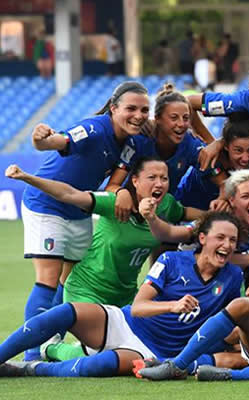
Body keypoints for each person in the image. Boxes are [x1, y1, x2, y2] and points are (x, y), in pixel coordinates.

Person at [0, 212, 248, 378]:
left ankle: (30, 368)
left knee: (101, 365)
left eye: (233, 240)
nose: (227, 245)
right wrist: (172, 306)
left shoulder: (233, 277)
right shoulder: (171, 260)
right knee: (67, 312)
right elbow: (139, 307)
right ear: (202, 238)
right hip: (126, 322)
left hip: (155, 352)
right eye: (221, 237)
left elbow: (229, 326)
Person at [18, 81, 149, 360]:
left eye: (144, 110)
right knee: (48, 280)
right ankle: (31, 355)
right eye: (131, 108)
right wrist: (40, 137)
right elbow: (55, 142)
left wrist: (123, 191)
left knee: (66, 280)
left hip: (78, 210)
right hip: (46, 204)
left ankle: (50, 342)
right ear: (113, 108)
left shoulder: (131, 144)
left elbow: (113, 185)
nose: (138, 115)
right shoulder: (93, 128)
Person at [8, 158, 204, 307]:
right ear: (134, 181)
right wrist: (27, 177)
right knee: (100, 353)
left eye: (164, 178)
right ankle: (48, 349)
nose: (159, 183)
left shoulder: (166, 205)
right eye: (152, 178)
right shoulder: (114, 203)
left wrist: (219, 213)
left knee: (131, 352)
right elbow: (69, 194)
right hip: (88, 290)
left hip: (125, 296)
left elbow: (185, 213)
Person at [105, 83, 208, 221]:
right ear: (157, 118)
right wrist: (121, 192)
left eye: (186, 118)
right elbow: (111, 186)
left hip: (163, 214)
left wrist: (216, 144)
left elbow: (221, 171)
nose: (181, 124)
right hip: (129, 211)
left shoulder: (191, 144)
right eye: (174, 117)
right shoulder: (138, 141)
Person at [174, 114, 249, 210]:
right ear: (226, 146)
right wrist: (218, 142)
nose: (245, 158)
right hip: (182, 208)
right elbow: (189, 103)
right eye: (238, 150)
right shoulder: (210, 154)